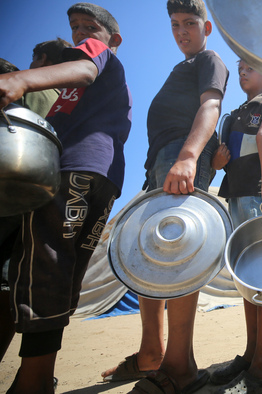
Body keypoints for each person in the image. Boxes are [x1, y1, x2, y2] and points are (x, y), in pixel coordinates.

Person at [0, 3, 132, 393]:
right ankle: (35, 375)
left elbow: (87, 65)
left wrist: (20, 80)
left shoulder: (98, 56)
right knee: (58, 272)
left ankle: (35, 380)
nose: (80, 35)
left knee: (45, 267)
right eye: (74, 28)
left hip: (76, 166)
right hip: (101, 175)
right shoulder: (76, 90)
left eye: (89, 28)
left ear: (114, 39)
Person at [101, 1, 228, 393]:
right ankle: (150, 352)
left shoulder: (209, 58)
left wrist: (190, 157)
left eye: (189, 23)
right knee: (149, 256)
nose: (181, 31)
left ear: (206, 26)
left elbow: (211, 104)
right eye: (174, 25)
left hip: (179, 155)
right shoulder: (183, 66)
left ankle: (179, 366)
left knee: (177, 252)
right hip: (160, 160)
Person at [209, 59, 262, 393]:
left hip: (258, 194)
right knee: (245, 277)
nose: (242, 71)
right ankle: (252, 352)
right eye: (239, 66)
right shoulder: (232, 113)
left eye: (250, 67)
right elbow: (224, 159)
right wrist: (217, 163)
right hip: (235, 196)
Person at [0, 38, 73, 364]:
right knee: (16, 279)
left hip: (12, 187)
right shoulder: (69, 101)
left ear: (42, 59)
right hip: (49, 194)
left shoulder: (21, 88)